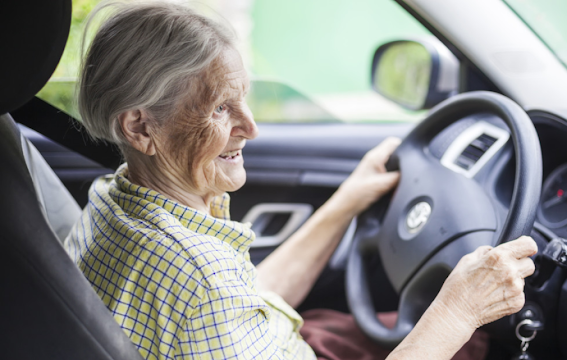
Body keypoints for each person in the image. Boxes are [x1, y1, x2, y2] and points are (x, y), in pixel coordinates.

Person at [64, 2, 537, 359]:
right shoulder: (197, 277)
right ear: (140, 128)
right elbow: (211, 297)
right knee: (474, 342)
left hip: (283, 339)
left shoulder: (114, 199)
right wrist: (458, 310)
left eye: (243, 98)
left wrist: (345, 203)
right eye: (220, 107)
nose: (251, 127)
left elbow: (244, 301)